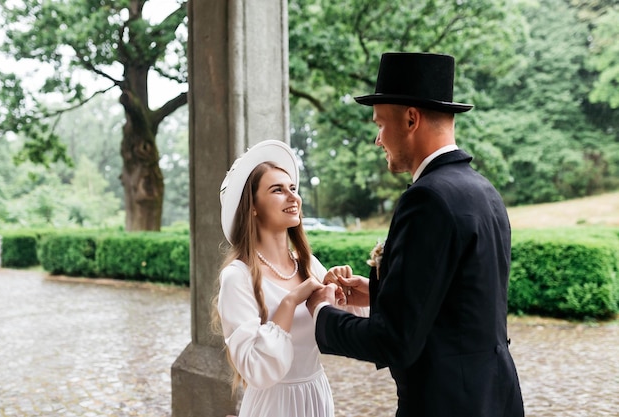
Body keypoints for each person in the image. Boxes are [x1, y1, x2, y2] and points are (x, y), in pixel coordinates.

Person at [306, 52, 525, 417]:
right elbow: (458, 303)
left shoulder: (427, 198)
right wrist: (378, 291)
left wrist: (321, 315)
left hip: (444, 404)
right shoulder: (484, 191)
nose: (378, 140)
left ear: (411, 118)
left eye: (380, 124)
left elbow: (394, 342)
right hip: (495, 397)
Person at [213, 139, 362, 417]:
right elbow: (256, 368)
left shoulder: (308, 265)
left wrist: (342, 294)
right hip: (274, 406)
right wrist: (291, 301)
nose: (293, 197)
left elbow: (339, 331)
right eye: (277, 190)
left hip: (316, 396)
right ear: (253, 206)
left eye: (293, 188)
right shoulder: (238, 277)